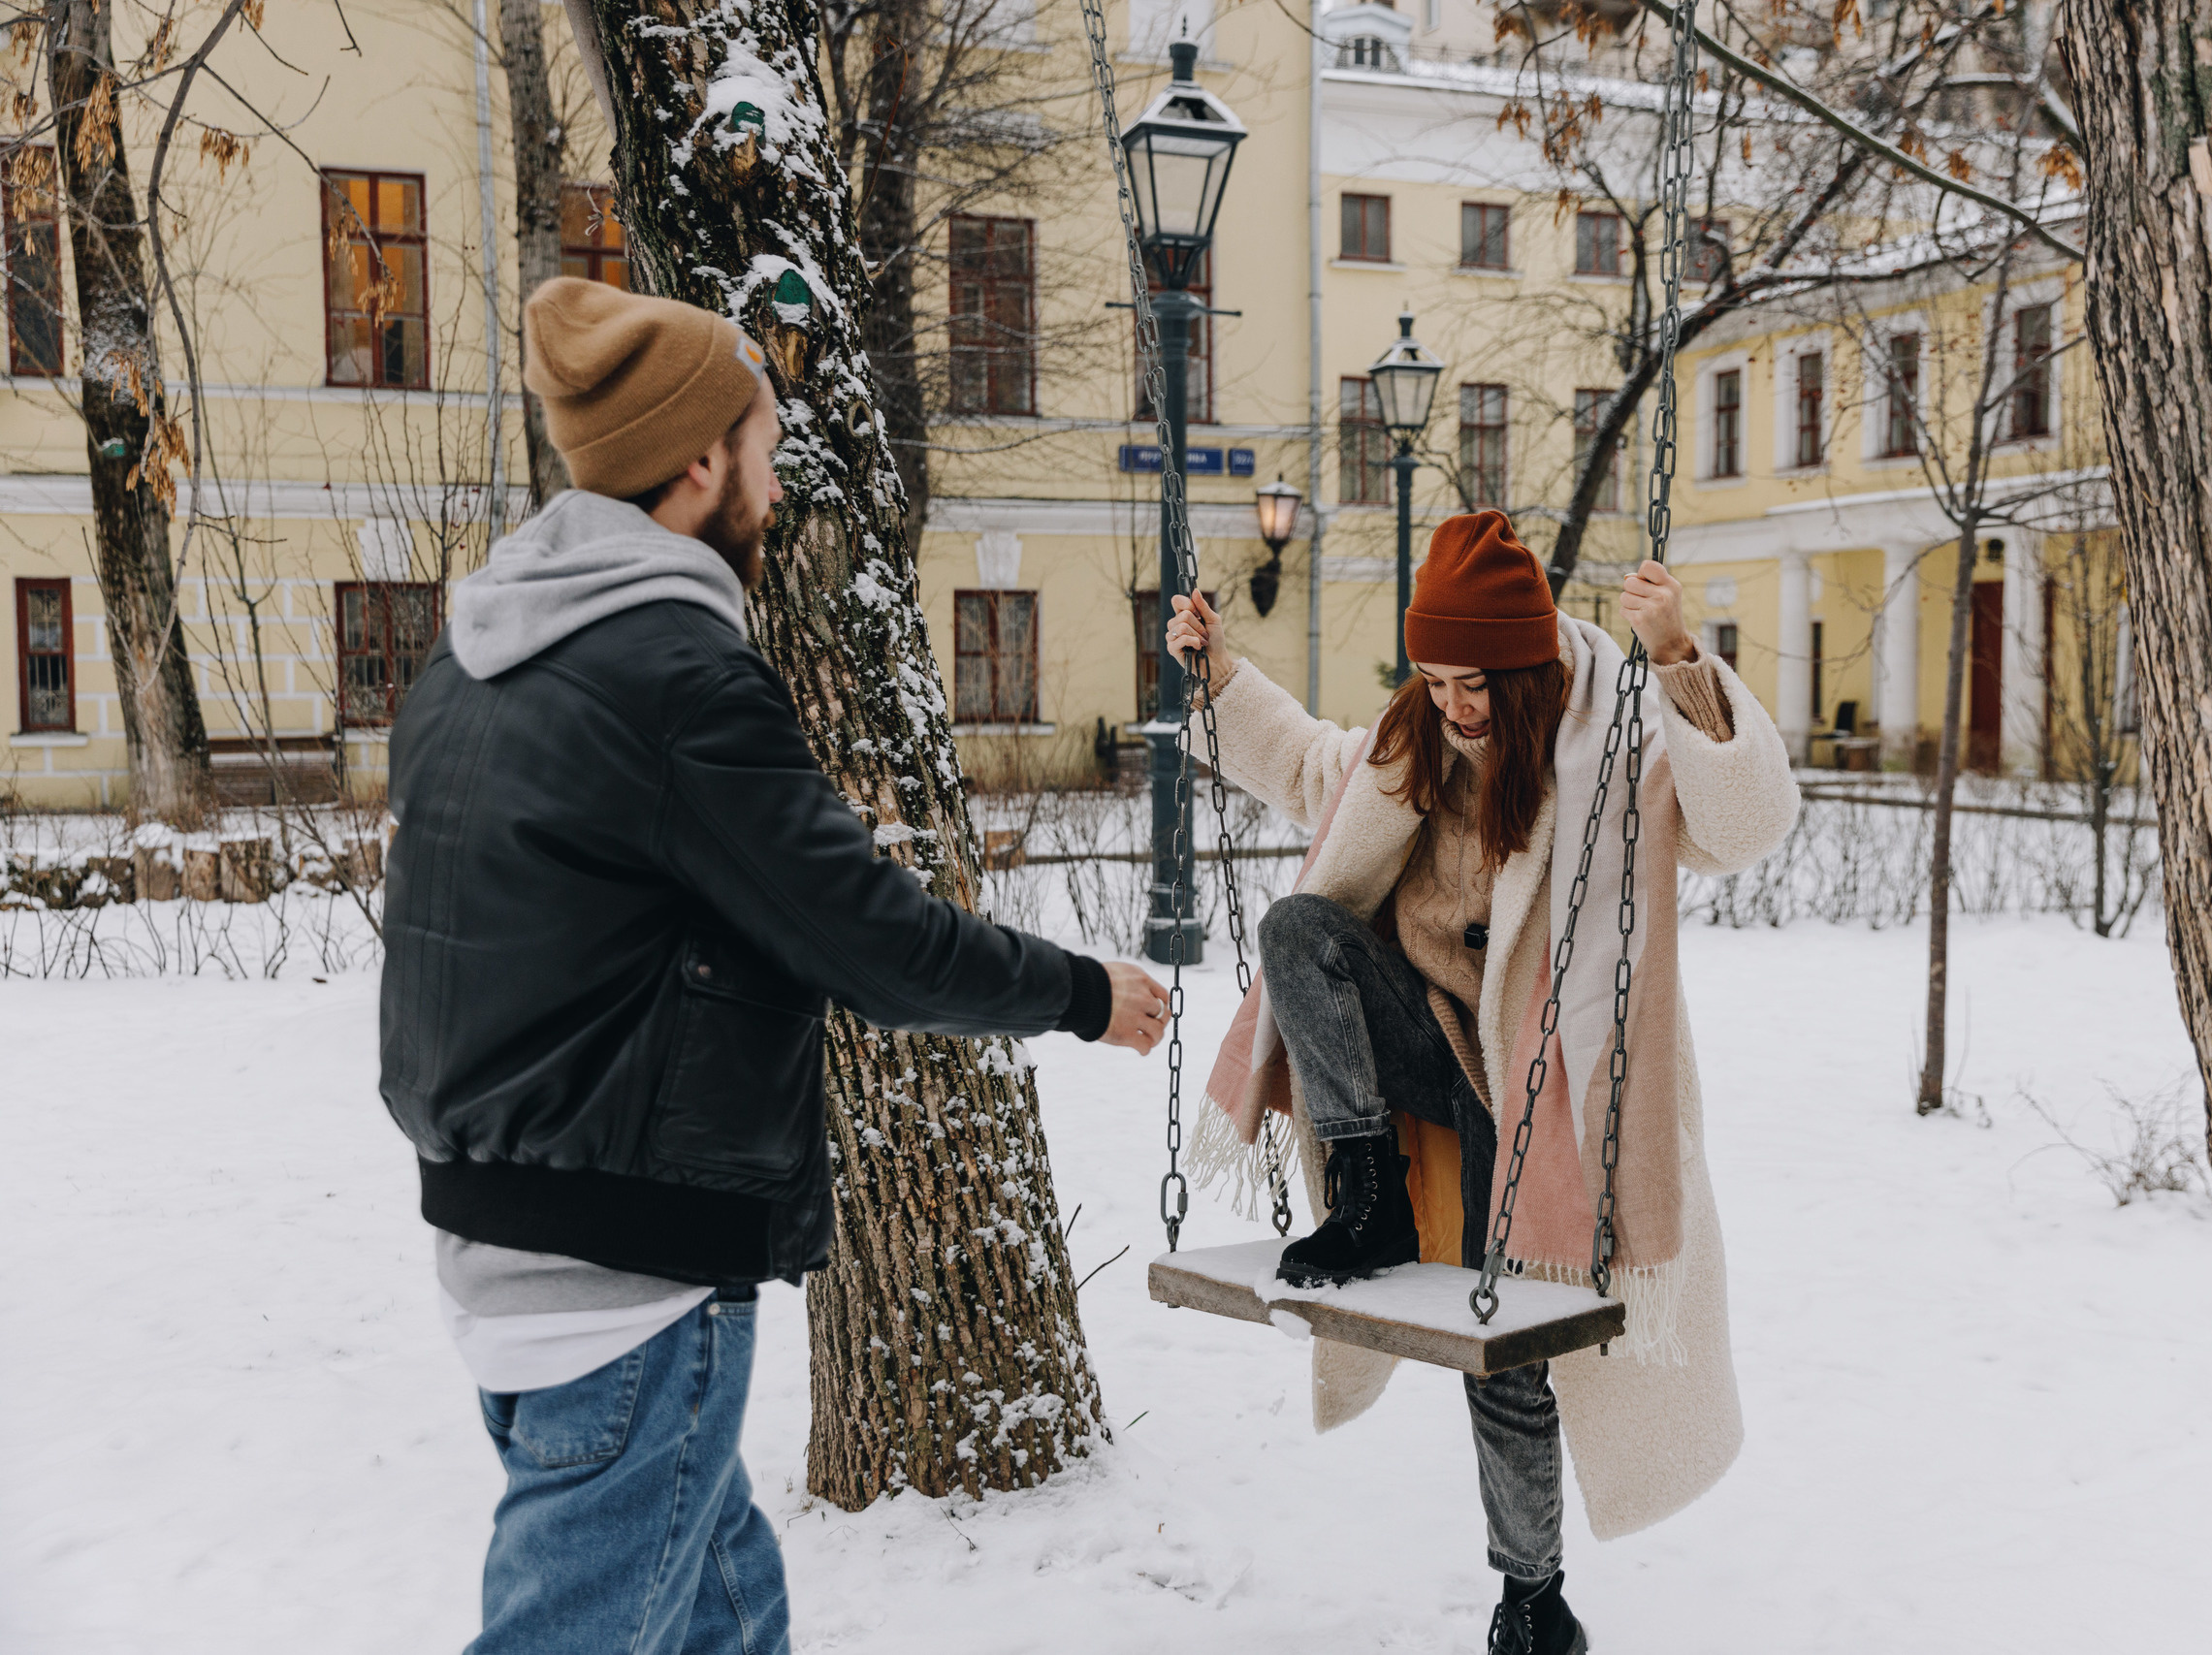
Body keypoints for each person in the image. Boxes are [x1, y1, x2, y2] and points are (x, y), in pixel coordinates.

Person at [381, 277, 1170, 1655]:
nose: (775, 472)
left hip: (499, 1227)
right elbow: (872, 938)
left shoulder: (475, 658)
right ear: (697, 465)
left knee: (725, 1613)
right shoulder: (674, 673)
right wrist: (1083, 992)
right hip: (622, 1280)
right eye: (760, 442)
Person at [1167, 509, 1799, 1655]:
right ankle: (1368, 1199)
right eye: (1433, 677)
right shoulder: (1411, 748)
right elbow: (1309, 761)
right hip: (1421, 1072)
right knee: (1301, 926)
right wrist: (1218, 677)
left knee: (1506, 1360)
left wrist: (1677, 661)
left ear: (1523, 669)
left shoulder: (1608, 754)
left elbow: (1744, 825)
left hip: (1548, 1098)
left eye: (1474, 683)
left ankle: (1530, 1600)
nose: (1455, 704)